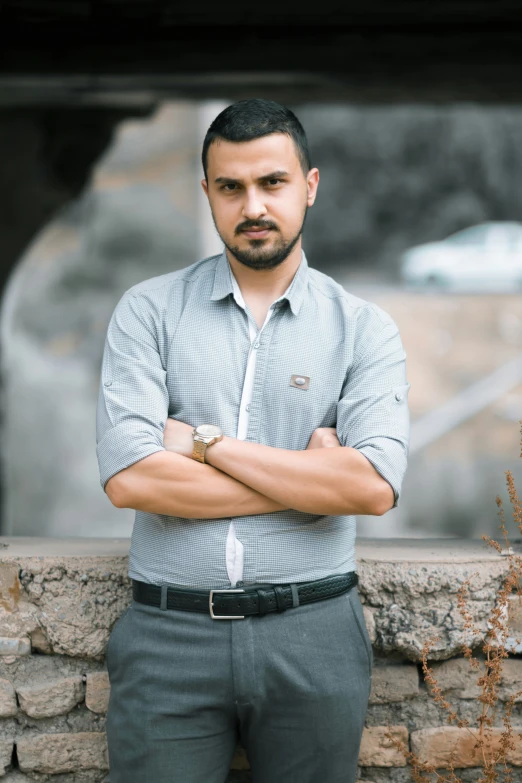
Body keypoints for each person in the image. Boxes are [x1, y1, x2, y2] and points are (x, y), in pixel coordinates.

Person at [96, 98, 410, 783]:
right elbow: (131, 480)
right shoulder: (147, 312)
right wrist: (307, 482)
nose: (253, 205)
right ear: (207, 192)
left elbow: (371, 487)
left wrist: (205, 444)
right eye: (231, 187)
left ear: (310, 186)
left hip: (314, 632)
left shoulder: (364, 329)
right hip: (168, 637)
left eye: (273, 183)